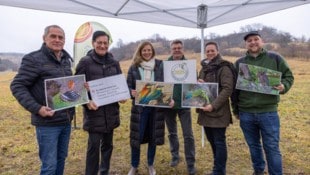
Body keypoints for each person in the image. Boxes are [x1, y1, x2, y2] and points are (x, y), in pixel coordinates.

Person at [10, 25, 75, 175]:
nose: (57, 40)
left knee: (61, 159)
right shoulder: (33, 59)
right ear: (44, 38)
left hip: (65, 120)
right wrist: (37, 108)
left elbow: (65, 87)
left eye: (61, 37)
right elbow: (17, 85)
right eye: (53, 36)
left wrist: (80, 88)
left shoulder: (66, 59)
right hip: (47, 123)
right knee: (49, 166)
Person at [233, 31, 294, 175]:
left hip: (268, 112)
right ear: (245, 44)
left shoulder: (275, 58)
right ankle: (258, 170)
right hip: (246, 113)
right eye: (249, 41)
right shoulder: (239, 63)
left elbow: (289, 76)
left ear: (262, 41)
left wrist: (283, 86)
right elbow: (234, 89)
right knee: (253, 146)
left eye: (256, 39)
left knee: (272, 147)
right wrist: (236, 110)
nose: (253, 42)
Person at [75, 31, 124, 175]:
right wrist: (86, 101)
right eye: (99, 42)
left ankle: (104, 171)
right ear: (93, 43)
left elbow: (119, 84)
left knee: (108, 146)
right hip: (94, 113)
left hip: (111, 113)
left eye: (105, 43)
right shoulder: (85, 62)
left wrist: (122, 95)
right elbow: (76, 88)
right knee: (93, 148)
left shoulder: (114, 63)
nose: (103, 46)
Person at [126, 41, 172, 175]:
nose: (147, 52)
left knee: (153, 136)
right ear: (140, 52)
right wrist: (131, 92)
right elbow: (128, 85)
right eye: (144, 50)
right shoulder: (134, 67)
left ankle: (151, 164)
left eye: (149, 50)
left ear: (153, 51)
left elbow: (167, 84)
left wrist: (169, 97)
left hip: (156, 108)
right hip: (140, 109)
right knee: (136, 138)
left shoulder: (160, 65)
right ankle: (134, 165)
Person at [197, 41, 234, 175]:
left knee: (219, 142)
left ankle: (219, 171)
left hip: (218, 111)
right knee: (212, 141)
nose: (210, 53)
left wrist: (213, 105)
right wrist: (199, 83)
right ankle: (217, 169)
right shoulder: (204, 68)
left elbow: (228, 89)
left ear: (217, 51)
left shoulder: (224, 68)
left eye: (212, 50)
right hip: (205, 111)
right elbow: (201, 86)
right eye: (208, 51)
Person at [164, 39, 196, 175]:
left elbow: (194, 84)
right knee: (172, 133)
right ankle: (175, 156)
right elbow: (160, 83)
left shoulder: (189, 65)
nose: (177, 50)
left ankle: (190, 163)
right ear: (171, 49)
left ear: (183, 49)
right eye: (174, 48)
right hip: (169, 105)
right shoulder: (165, 65)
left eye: (179, 48)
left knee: (188, 135)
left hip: (184, 105)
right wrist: (166, 99)